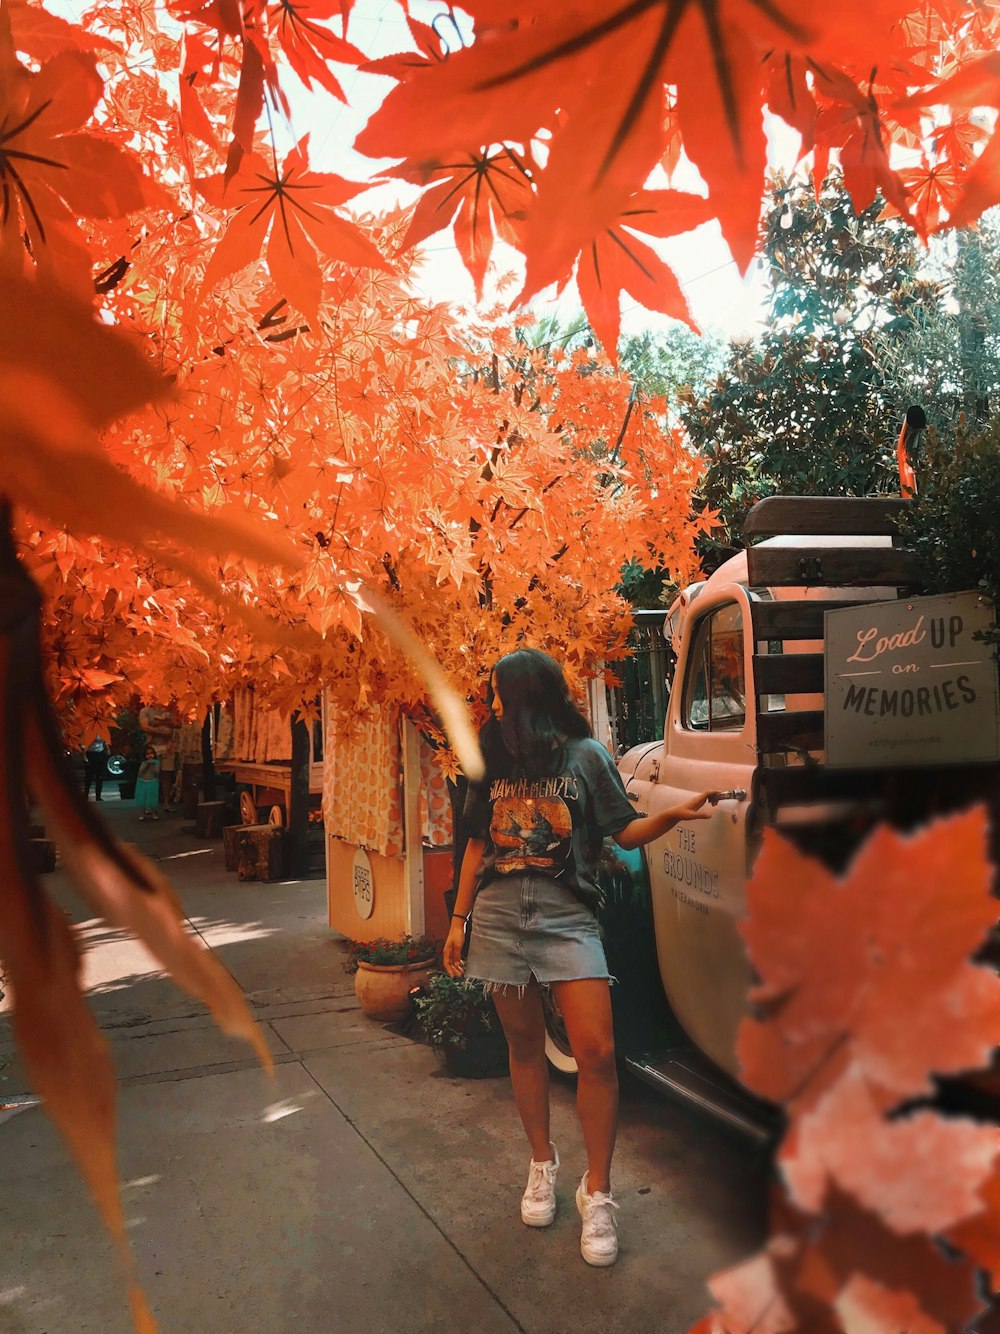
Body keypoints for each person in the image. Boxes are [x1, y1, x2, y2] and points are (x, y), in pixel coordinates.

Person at [443, 648, 712, 1268]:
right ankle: (542, 1165)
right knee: (522, 1045)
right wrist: (458, 923)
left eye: (500, 694)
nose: (494, 705)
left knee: (594, 1051)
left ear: (528, 696)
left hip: (567, 919)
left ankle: (599, 1192)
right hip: (500, 916)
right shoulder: (488, 760)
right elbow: (476, 844)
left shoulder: (585, 758)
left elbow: (623, 831)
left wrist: (671, 815)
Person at [134, 745, 161, 821]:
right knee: (142, 799)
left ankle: (154, 813)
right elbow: (141, 772)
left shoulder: (157, 763)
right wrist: (147, 765)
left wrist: (152, 765)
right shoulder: (144, 763)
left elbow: (157, 772)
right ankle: (142, 814)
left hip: (153, 782)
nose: (150, 755)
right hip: (143, 782)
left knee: (152, 798)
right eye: (147, 754)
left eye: (151, 753)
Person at [83, 734, 110, 801]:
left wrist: (107, 749)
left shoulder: (102, 731)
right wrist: (84, 756)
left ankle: (98, 796)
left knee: (100, 776)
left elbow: (105, 740)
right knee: (89, 776)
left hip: (100, 754)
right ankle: (86, 795)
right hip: (90, 754)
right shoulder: (87, 731)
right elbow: (83, 744)